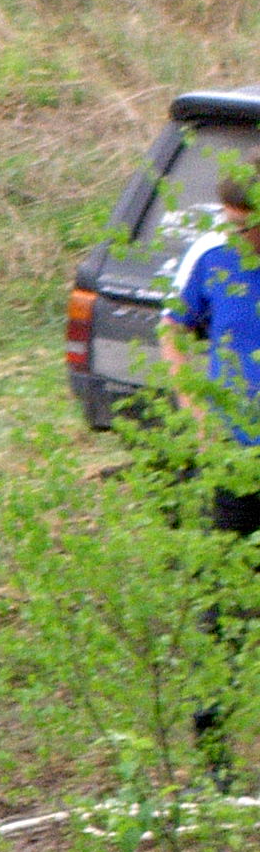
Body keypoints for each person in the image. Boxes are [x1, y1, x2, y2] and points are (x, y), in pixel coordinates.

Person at [157, 154, 260, 786]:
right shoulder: (211, 254)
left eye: (247, 224)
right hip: (234, 458)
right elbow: (172, 327)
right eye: (231, 221)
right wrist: (192, 404)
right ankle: (215, 758)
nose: (237, 233)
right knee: (221, 605)